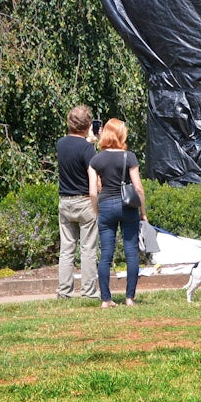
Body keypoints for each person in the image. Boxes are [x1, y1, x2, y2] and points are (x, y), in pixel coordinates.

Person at [88, 118, 146, 308]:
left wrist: (97, 211)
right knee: (131, 254)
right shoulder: (129, 157)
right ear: (121, 134)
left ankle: (105, 299)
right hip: (127, 207)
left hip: (105, 205)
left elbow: (92, 192)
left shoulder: (95, 160)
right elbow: (138, 188)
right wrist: (143, 212)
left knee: (106, 255)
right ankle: (129, 298)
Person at [55, 105, 99, 300]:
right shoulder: (88, 149)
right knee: (88, 249)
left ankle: (64, 292)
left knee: (67, 250)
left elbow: (74, 148)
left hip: (65, 201)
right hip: (84, 201)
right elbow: (93, 179)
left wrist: (87, 140)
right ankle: (89, 292)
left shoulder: (60, 144)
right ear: (88, 125)